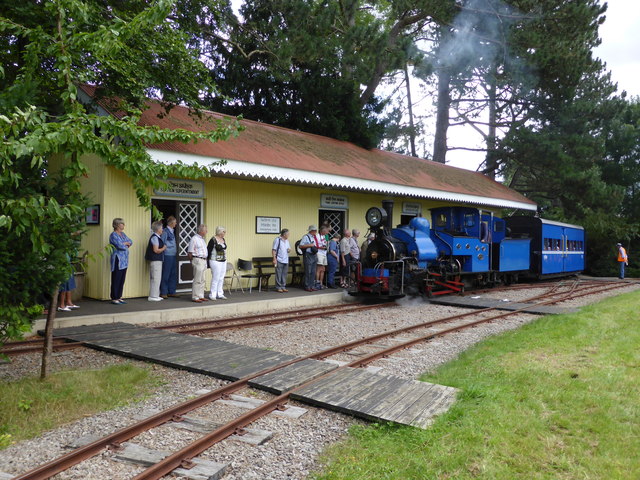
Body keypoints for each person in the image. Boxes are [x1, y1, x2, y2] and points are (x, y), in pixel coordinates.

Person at [109, 217, 132, 305]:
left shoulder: (123, 234)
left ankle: (119, 296)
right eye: (122, 224)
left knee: (122, 278)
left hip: (124, 260)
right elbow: (120, 246)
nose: (123, 225)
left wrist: (126, 243)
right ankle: (114, 297)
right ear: (117, 225)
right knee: (116, 278)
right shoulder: (113, 235)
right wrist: (125, 243)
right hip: (117, 260)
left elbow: (131, 241)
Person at [146, 220, 166, 301]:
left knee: (157, 277)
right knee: (155, 278)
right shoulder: (154, 237)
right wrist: (164, 248)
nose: (162, 230)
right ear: (158, 229)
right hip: (155, 260)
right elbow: (156, 250)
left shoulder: (157, 237)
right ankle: (153, 296)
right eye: (161, 228)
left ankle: (156, 295)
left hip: (157, 260)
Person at [188, 224, 209, 303]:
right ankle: (195, 296)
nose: (206, 231)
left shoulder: (202, 239)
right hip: (197, 259)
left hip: (203, 260)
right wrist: (193, 261)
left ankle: (201, 295)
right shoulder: (194, 239)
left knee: (202, 279)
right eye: (205, 230)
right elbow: (190, 252)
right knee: (197, 279)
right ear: (201, 231)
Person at [207, 226, 228, 300]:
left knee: (221, 277)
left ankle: (220, 293)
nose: (224, 233)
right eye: (223, 232)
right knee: (216, 277)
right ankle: (212, 294)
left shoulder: (223, 239)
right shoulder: (213, 240)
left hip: (223, 260)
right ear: (219, 232)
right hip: (215, 260)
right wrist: (207, 262)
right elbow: (208, 251)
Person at [160, 216, 178, 298]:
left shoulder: (172, 231)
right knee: (166, 273)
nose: (176, 224)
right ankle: (164, 292)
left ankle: (172, 291)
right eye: (175, 222)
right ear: (171, 223)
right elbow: (162, 242)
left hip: (173, 255)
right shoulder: (165, 231)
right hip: (167, 255)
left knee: (173, 273)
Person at [300, 225, 319, 291]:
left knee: (313, 271)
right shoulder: (305, 237)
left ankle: (312, 285)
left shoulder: (314, 237)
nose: (316, 232)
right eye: (315, 230)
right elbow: (301, 246)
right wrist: (309, 245)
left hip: (314, 254)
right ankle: (307, 286)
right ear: (312, 231)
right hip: (308, 255)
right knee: (308, 271)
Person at [272, 228, 291, 293]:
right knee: (279, 274)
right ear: (284, 234)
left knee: (284, 274)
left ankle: (283, 286)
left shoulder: (287, 241)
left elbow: (288, 249)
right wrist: (274, 259)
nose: (289, 235)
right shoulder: (277, 240)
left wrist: (289, 250)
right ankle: (278, 287)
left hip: (286, 259)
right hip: (279, 259)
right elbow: (274, 250)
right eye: (288, 234)